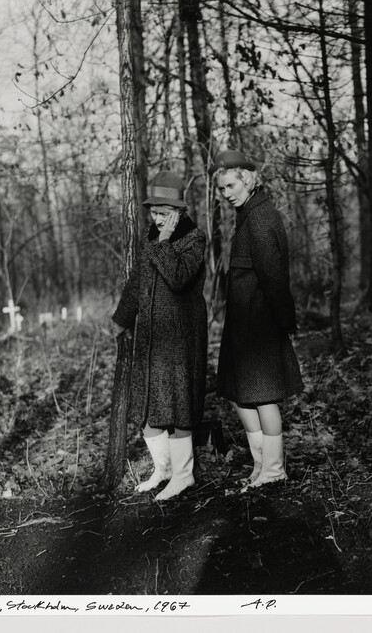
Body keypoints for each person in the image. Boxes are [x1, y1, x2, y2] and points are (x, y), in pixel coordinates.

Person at [112, 171, 208, 501]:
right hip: (152, 339)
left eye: (164, 212)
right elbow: (138, 282)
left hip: (182, 338)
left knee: (180, 406)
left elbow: (179, 278)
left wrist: (165, 243)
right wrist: (122, 319)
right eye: (154, 212)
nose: (158, 218)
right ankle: (164, 470)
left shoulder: (195, 238)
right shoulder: (150, 237)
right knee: (150, 408)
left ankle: (184, 475)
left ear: (179, 211)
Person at [211, 150, 303, 488]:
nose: (227, 193)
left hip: (260, 323)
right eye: (222, 189)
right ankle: (262, 464)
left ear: (249, 179)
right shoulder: (248, 214)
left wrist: (283, 321)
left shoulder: (261, 219)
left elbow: (274, 277)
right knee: (240, 394)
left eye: (232, 185)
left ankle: (274, 469)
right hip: (243, 323)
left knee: (262, 396)